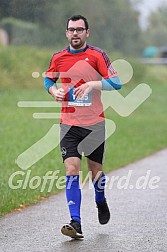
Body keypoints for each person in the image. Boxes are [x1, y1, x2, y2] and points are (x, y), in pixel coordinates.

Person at [44, 14, 122, 239]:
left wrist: (92, 84)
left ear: (87, 32)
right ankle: (75, 222)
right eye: (71, 29)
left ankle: (100, 200)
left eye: (79, 29)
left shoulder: (97, 55)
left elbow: (117, 82)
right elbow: (49, 79)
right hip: (68, 124)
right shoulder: (58, 57)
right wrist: (53, 91)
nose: (75, 33)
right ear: (66, 33)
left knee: (95, 171)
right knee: (71, 169)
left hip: (94, 124)